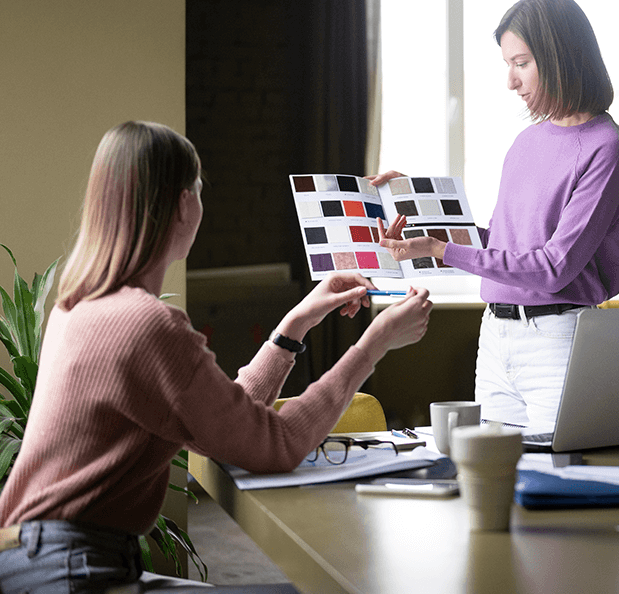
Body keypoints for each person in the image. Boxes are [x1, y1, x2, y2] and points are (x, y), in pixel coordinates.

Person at [0, 121, 432, 592]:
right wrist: (373, 345)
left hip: (28, 560)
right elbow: (280, 444)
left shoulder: (78, 307)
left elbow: (225, 423)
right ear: (186, 203)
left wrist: (294, 325)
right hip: (72, 575)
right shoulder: (148, 326)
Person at [371, 0, 619, 432]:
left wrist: (440, 248)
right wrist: (408, 206)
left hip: (559, 341)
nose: (511, 82)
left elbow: (554, 268)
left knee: (557, 486)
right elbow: (501, 243)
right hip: (495, 335)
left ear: (560, 58)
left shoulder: (606, 147)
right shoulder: (526, 143)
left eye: (521, 63)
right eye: (507, 65)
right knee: (493, 480)